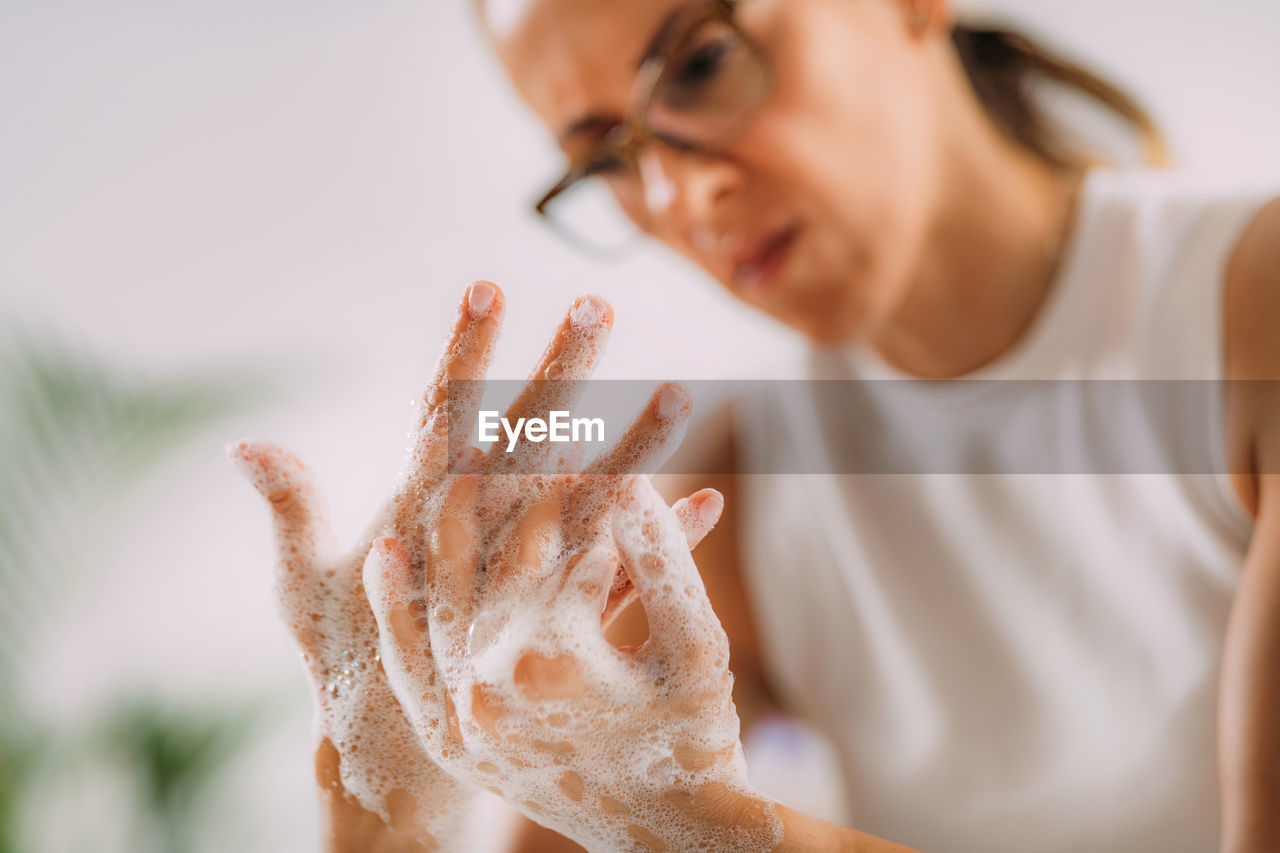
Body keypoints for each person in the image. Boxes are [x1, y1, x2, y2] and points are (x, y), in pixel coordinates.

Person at [231, 0, 1280, 850]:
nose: (678, 190)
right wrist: (387, 790)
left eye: (696, 64)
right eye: (605, 159)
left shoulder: (1247, 308)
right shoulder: (735, 490)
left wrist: (717, 833)